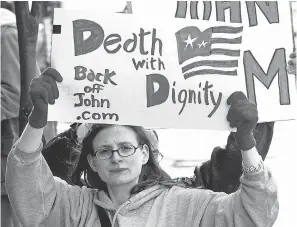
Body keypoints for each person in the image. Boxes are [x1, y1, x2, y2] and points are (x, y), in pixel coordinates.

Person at [6, 68, 278, 227]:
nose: (116, 158)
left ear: (146, 152)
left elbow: (254, 213)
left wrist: (247, 144)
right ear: (92, 162)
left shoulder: (184, 203)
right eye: (104, 151)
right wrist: (37, 122)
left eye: (126, 147)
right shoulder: (75, 206)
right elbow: (31, 192)